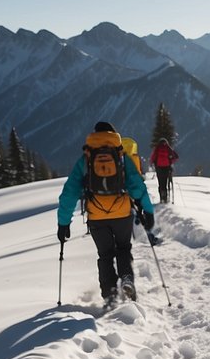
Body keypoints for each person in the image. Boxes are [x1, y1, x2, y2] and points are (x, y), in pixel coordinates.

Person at [58, 121, 155, 307]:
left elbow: (69, 193)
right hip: (122, 213)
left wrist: (63, 223)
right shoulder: (121, 156)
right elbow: (137, 186)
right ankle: (126, 278)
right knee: (123, 248)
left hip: (96, 216)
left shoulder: (86, 159)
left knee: (105, 254)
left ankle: (109, 295)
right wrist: (147, 210)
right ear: (113, 134)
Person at [149, 137, 178, 204]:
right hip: (166, 168)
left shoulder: (157, 148)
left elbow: (152, 158)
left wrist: (153, 164)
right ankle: (165, 198)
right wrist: (170, 162)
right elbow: (176, 156)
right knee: (165, 183)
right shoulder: (168, 148)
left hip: (159, 168)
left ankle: (161, 197)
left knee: (160, 183)